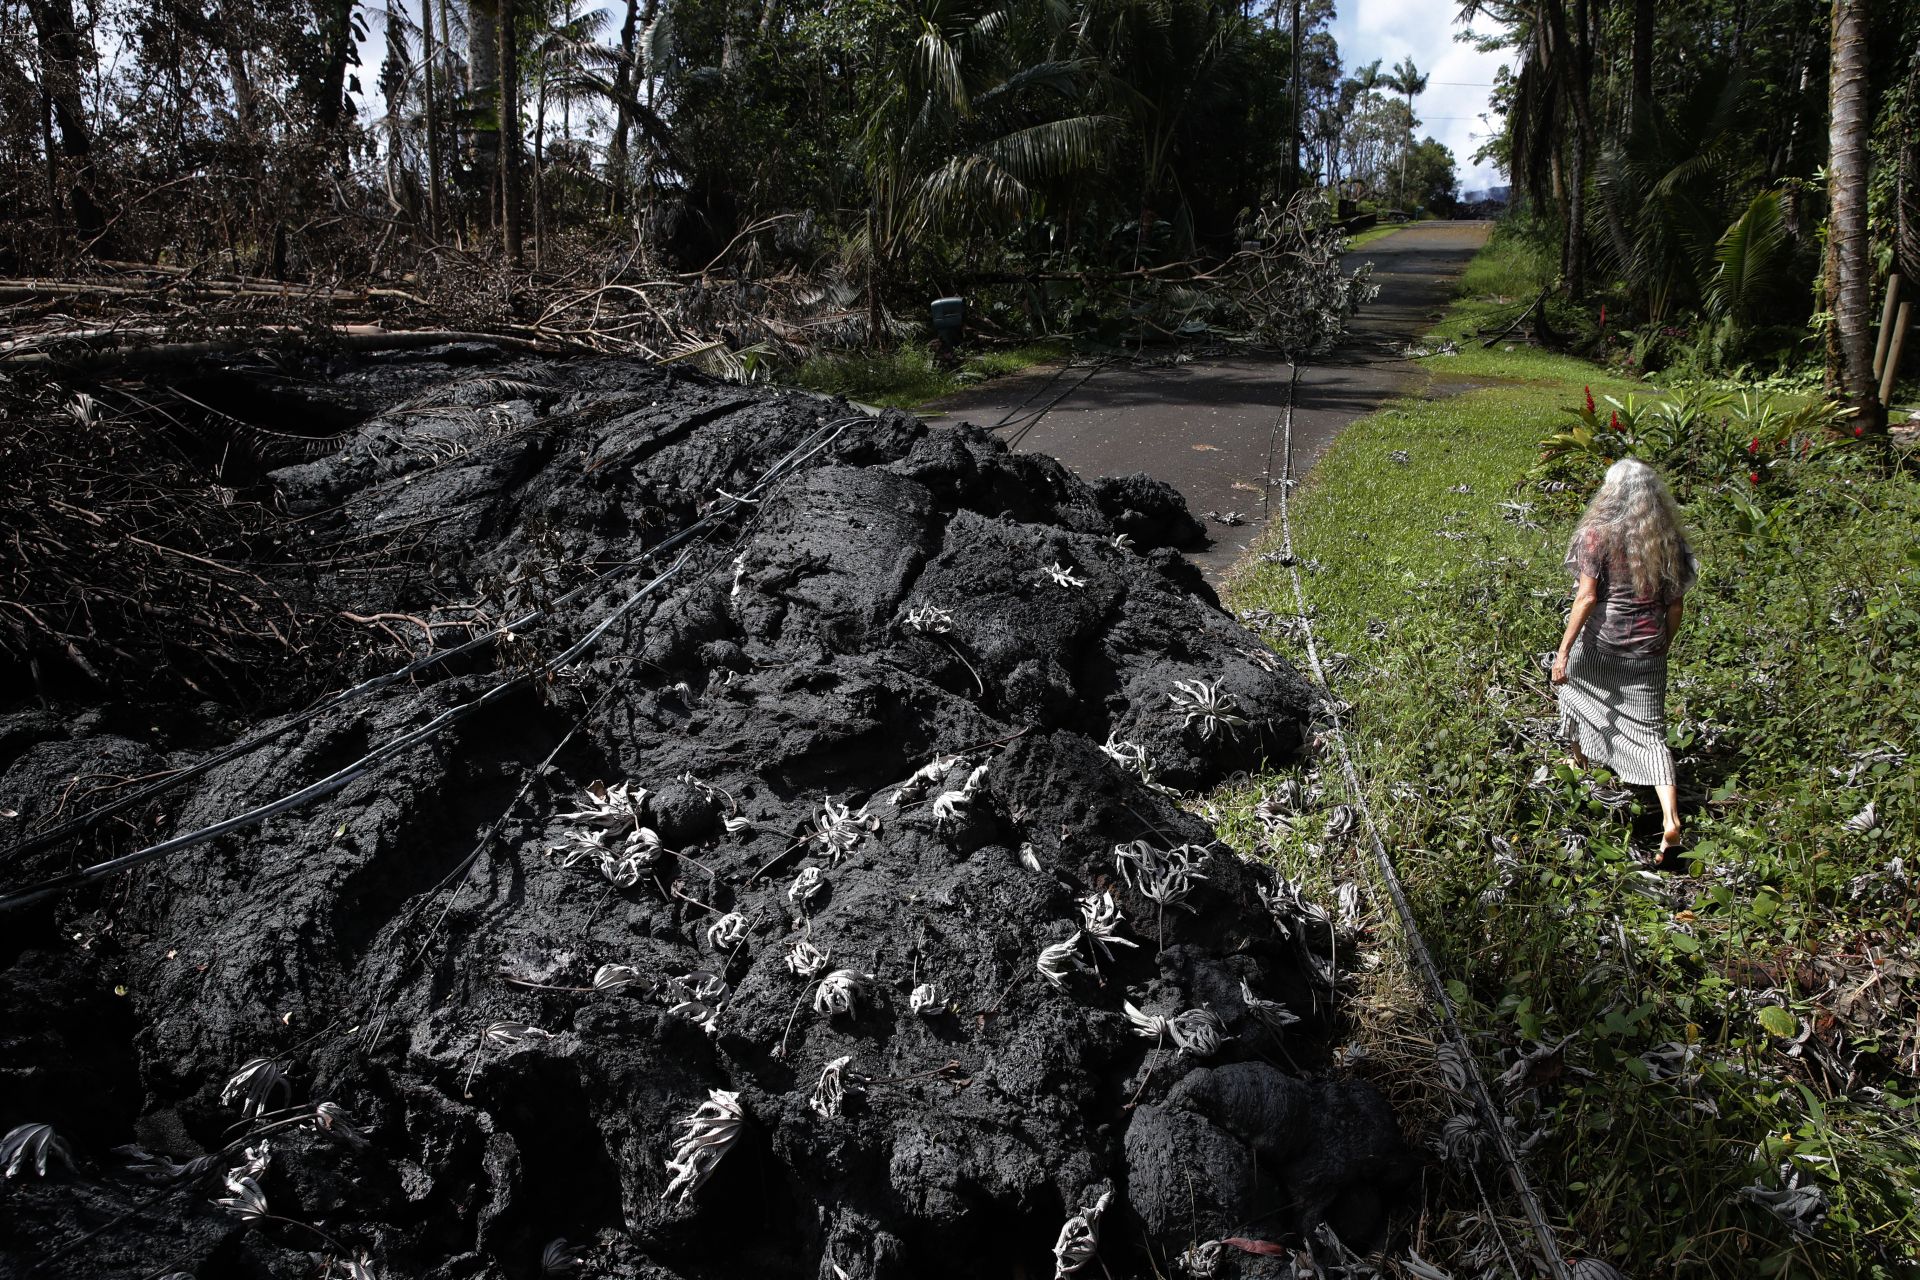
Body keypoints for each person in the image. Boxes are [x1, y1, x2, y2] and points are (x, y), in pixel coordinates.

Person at [1550, 457, 1698, 863]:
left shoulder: (1596, 535)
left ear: (1609, 493)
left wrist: (1562, 652)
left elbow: (1587, 598)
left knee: (1573, 689)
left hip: (1603, 643)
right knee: (1651, 731)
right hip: (1648, 648)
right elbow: (1676, 603)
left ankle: (1580, 765)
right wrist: (1664, 643)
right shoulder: (1668, 538)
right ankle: (1671, 819)